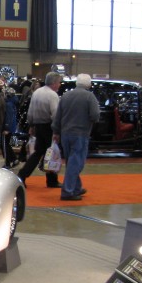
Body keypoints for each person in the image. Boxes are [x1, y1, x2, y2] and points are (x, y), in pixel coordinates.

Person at [52, 73, 100, 201]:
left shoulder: (66, 96)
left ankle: (76, 187)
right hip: (80, 134)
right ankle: (67, 191)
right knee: (76, 163)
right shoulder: (90, 96)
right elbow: (95, 115)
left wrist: (56, 132)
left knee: (71, 162)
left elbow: (58, 116)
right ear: (88, 84)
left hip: (65, 134)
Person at [17, 72, 62, 188]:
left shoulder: (37, 92)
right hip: (49, 127)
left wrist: (31, 126)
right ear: (54, 83)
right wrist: (57, 130)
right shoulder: (53, 95)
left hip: (38, 126)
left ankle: (22, 174)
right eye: (58, 82)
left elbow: (30, 111)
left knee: (38, 153)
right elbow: (55, 114)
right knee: (51, 153)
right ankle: (51, 180)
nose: (59, 85)